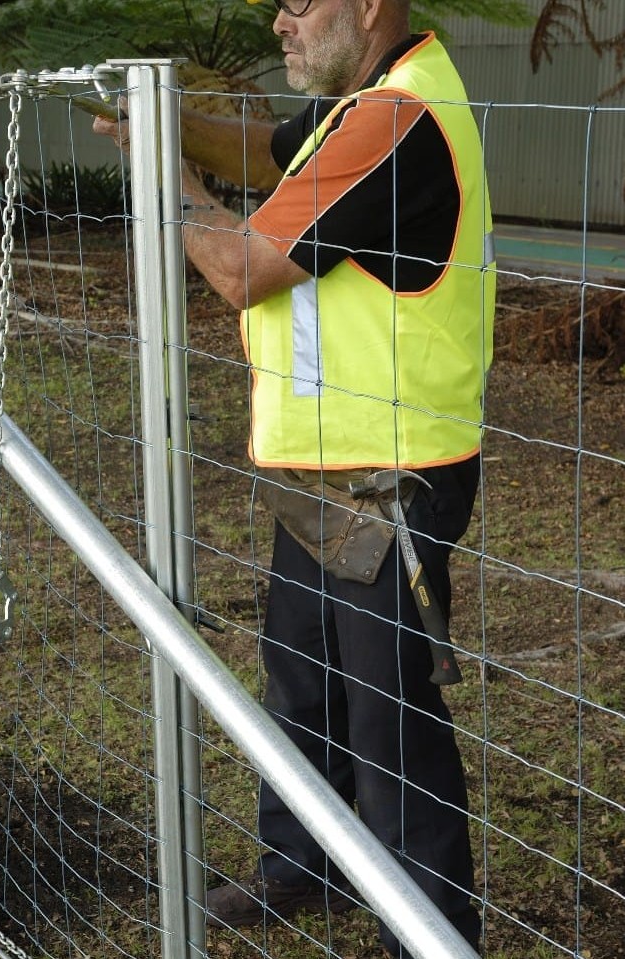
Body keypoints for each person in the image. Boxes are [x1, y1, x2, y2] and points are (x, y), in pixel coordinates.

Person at [95, 0, 494, 955]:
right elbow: (263, 147)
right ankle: (302, 869)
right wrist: (151, 110)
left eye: (297, 4)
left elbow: (239, 269)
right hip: (326, 465)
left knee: (388, 716)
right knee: (303, 680)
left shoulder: (394, 119)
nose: (278, 22)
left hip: (386, 477)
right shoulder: (361, 101)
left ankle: (432, 933)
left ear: (366, 5)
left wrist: (163, 178)